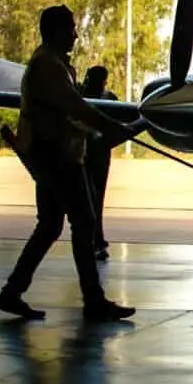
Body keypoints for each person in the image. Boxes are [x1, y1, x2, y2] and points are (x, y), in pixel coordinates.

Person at [0, 5, 138, 322]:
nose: (75, 34)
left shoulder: (53, 64)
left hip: (54, 157)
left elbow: (68, 113)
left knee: (49, 226)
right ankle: (93, 300)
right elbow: (76, 107)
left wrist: (100, 131)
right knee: (83, 223)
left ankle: (11, 292)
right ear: (55, 31)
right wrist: (111, 126)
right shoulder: (48, 66)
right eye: (71, 28)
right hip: (57, 159)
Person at [79, 65, 119, 261]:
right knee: (92, 202)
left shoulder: (85, 95)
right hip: (90, 155)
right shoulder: (108, 98)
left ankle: (95, 241)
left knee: (94, 201)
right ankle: (95, 242)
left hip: (97, 156)